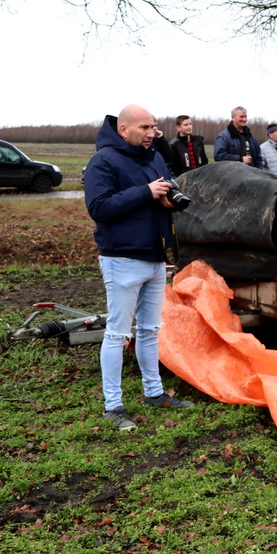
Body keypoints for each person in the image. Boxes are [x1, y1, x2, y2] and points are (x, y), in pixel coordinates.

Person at [83, 105, 193, 431]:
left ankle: (154, 393)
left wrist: (168, 200)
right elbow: (99, 207)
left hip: (154, 255)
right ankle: (113, 405)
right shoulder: (103, 161)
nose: (151, 133)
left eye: (154, 127)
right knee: (118, 333)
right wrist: (145, 192)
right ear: (123, 129)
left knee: (149, 330)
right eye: (145, 127)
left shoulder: (153, 156)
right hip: (122, 258)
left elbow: (162, 191)